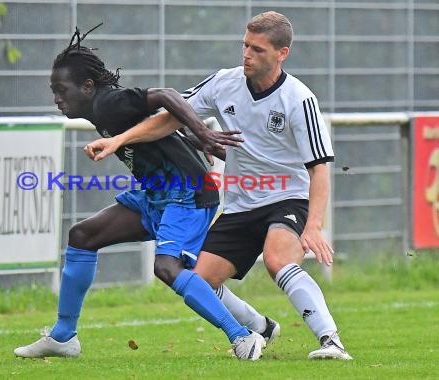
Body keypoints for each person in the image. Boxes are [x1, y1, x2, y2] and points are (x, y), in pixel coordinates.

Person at [85, 11, 352, 360]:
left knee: (277, 260)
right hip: (241, 204)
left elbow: (319, 168)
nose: (247, 55)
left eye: (257, 49)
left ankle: (331, 341)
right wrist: (119, 140)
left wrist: (314, 224)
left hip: (289, 198)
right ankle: (261, 328)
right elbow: (169, 119)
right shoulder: (225, 82)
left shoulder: (299, 100)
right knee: (200, 280)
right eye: (245, 45)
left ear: (281, 53)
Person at [13, 25, 269, 361]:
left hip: (187, 194)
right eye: (54, 91)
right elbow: (156, 126)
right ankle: (63, 337)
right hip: (157, 195)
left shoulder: (109, 104)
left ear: (88, 87)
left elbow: (166, 95)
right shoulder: (102, 110)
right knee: (82, 236)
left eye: (62, 90)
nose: (57, 99)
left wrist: (202, 135)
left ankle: (243, 337)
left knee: (166, 268)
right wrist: (191, 140)